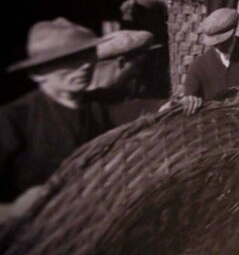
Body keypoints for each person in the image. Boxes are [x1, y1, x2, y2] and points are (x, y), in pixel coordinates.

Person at [0, 19, 160, 212]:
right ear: (37, 73)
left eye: (88, 56)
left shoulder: (101, 104)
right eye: (71, 60)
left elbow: (151, 108)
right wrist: (11, 210)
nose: (85, 66)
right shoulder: (13, 119)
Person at [176, 8, 239, 115]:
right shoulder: (198, 67)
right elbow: (189, 98)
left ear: (233, 32)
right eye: (215, 44)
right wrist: (189, 101)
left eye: (223, 41)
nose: (218, 46)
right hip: (215, 121)